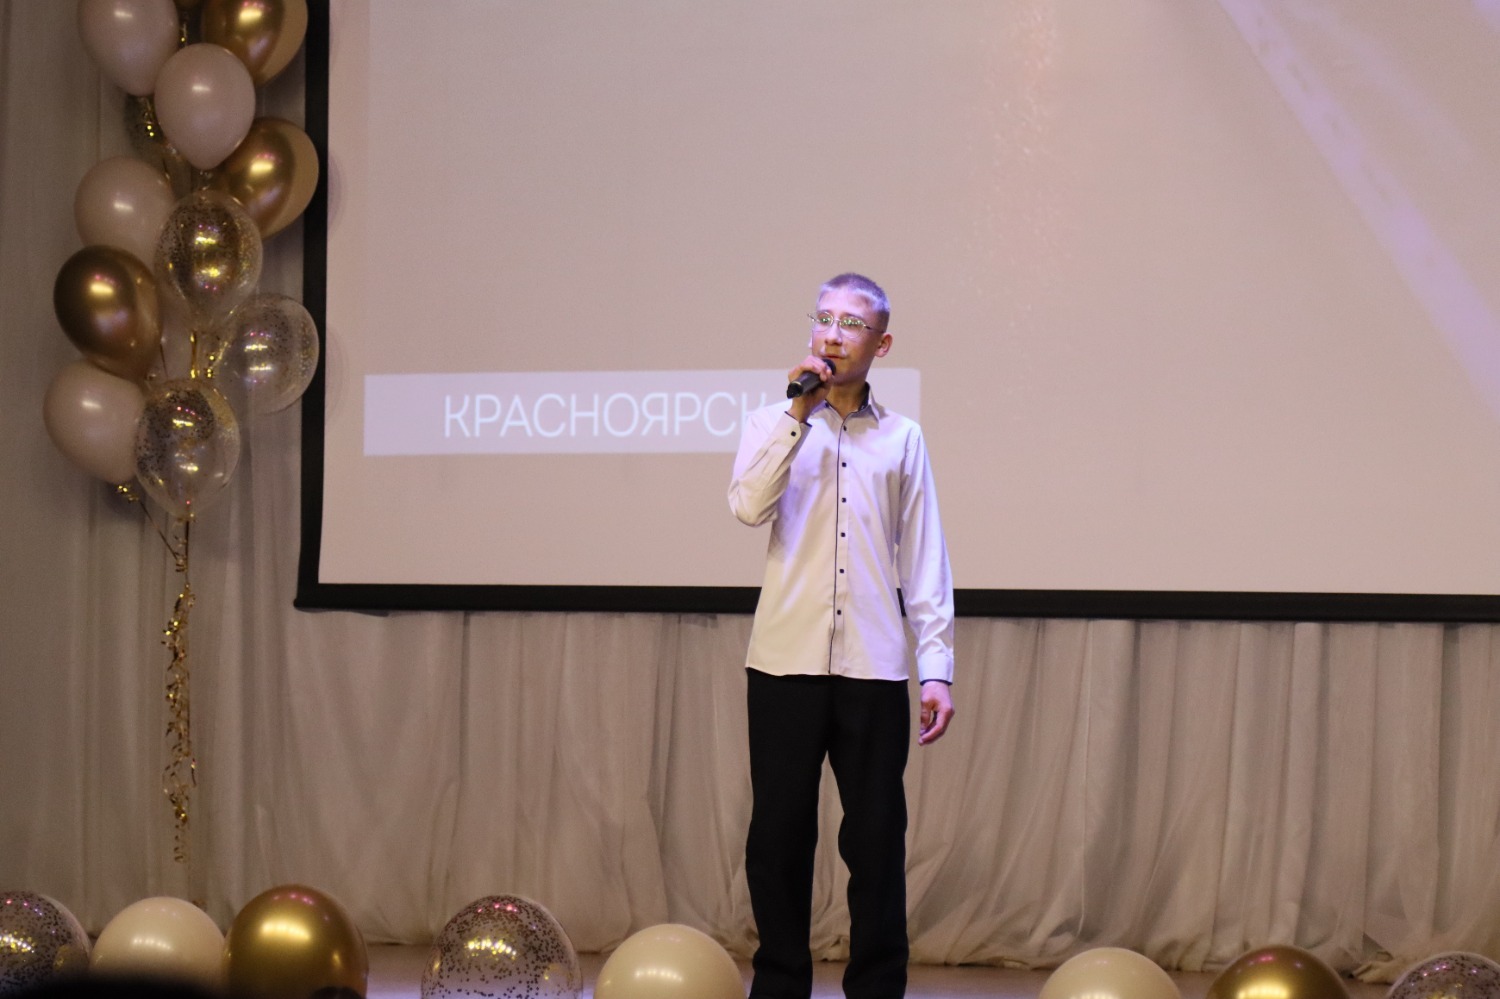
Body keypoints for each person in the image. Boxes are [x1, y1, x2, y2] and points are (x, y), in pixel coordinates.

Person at [727, 273, 955, 999]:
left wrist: (936, 667)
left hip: (873, 667)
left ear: (880, 344)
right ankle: (780, 988)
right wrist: (799, 412)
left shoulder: (903, 438)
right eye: (823, 318)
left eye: (851, 323)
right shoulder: (771, 422)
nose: (832, 333)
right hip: (784, 663)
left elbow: (924, 558)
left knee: (877, 840)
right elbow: (747, 507)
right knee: (778, 840)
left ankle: (877, 989)